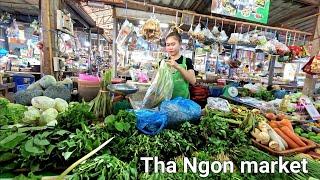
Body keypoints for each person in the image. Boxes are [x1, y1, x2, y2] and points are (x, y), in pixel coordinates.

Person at [165, 31, 196, 99]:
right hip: (166, 102)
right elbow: (155, 82)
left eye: (173, 44)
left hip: (182, 102)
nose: (170, 47)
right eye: (168, 45)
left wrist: (178, 66)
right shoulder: (163, 62)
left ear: (180, 44)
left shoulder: (187, 61)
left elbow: (193, 81)